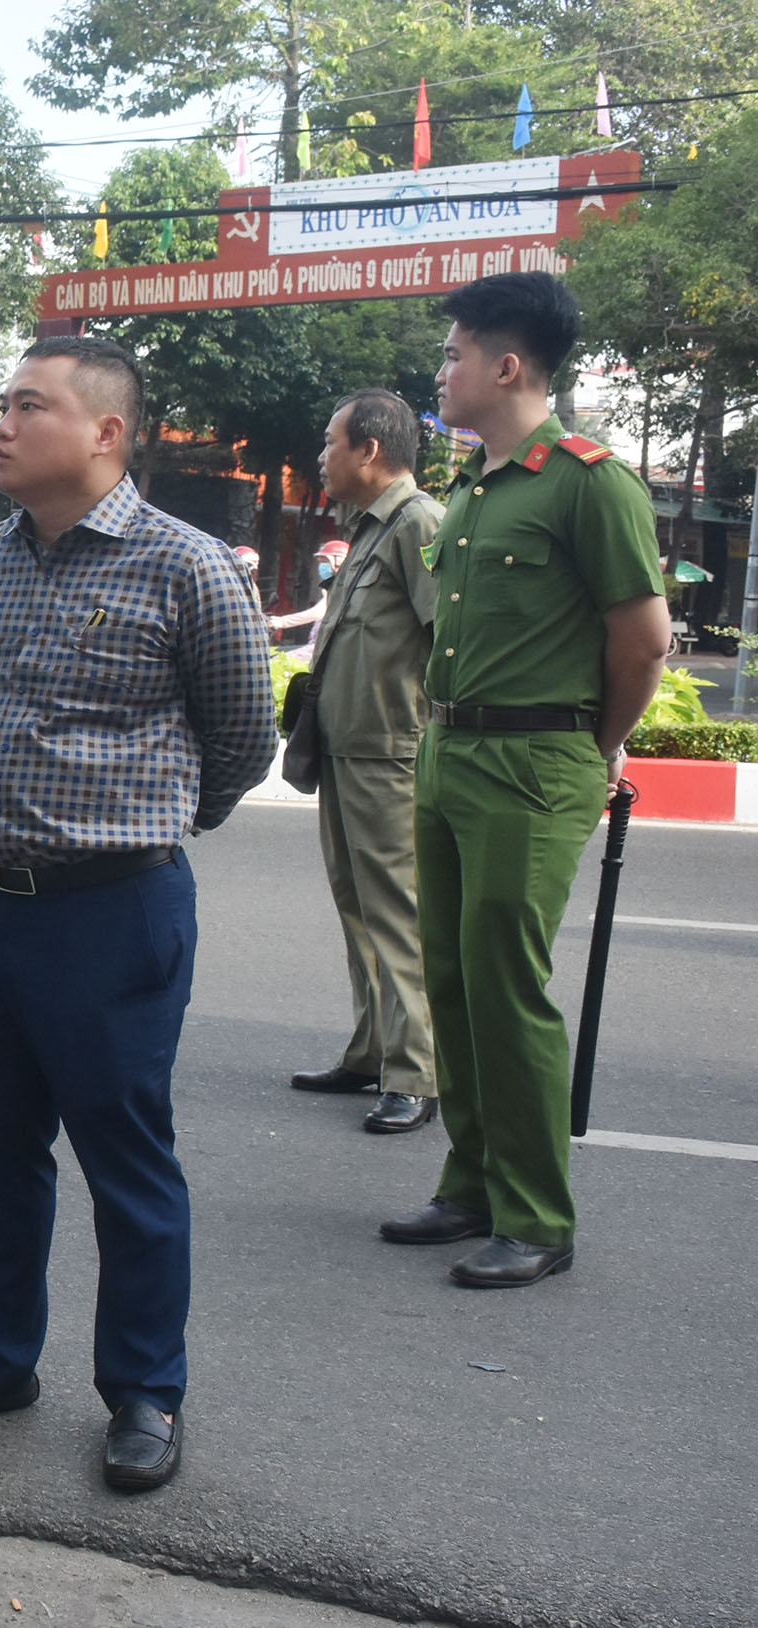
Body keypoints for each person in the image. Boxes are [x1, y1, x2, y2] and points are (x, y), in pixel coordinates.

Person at [0, 336, 274, 1493]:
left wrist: (141, 827)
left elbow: (242, 735)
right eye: (0, 403)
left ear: (105, 432)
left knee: (126, 1163)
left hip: (111, 909)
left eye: (27, 406)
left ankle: (146, 1389)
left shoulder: (186, 567)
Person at [378, 272, 667, 1288]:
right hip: (450, 748)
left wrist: (599, 744)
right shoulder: (475, 485)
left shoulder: (587, 480)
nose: (440, 369)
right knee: (451, 980)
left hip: (535, 756)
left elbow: (642, 641)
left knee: (504, 984)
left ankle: (538, 1214)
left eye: (454, 352)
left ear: (506, 365)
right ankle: (471, 1183)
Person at [287, 390, 446, 1134]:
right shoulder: (371, 529)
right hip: (350, 752)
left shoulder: (418, 525)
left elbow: (451, 644)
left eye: (330, 441)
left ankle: (415, 1072)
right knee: (358, 908)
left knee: (397, 913)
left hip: (391, 755)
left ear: (369, 450)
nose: (321, 456)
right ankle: (373, 1049)